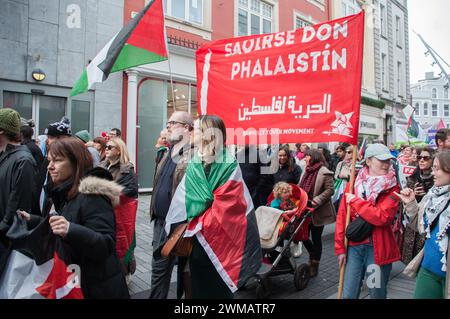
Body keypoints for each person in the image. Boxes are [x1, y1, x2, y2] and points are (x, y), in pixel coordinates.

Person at [172, 114, 261, 299]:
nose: (191, 132)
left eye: (195, 129)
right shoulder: (195, 162)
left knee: (218, 292)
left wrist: (196, 219)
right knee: (197, 291)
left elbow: (228, 210)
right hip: (196, 242)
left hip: (220, 246)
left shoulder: (228, 164)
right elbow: (187, 198)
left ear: (207, 134)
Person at [335, 143, 401, 299]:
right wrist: (340, 249)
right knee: (348, 293)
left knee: (375, 293)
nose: (386, 164)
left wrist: (356, 202)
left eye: (388, 161)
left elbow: (381, 217)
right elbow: (342, 217)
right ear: (369, 161)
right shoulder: (353, 185)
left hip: (376, 251)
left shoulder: (393, 188)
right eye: (382, 160)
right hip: (354, 248)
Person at [149, 111, 195, 299]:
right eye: (167, 123)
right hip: (161, 221)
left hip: (181, 224)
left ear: (186, 127)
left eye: (173, 123)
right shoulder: (168, 152)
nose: (168, 126)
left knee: (185, 272)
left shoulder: (195, 154)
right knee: (159, 268)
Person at [396, 150, 450, 299]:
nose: (433, 173)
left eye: (437, 168)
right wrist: (411, 203)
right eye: (433, 168)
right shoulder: (432, 194)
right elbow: (419, 226)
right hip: (428, 269)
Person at [0, 108, 40, 260]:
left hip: (8, 242)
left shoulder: (23, 161)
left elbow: (19, 205)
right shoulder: (5, 156)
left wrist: (3, 227)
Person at [99, 138, 139, 284]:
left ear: (119, 150)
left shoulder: (127, 168)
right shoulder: (101, 166)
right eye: (106, 147)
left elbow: (131, 191)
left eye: (111, 147)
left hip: (120, 215)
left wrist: (107, 191)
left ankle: (125, 274)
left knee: (123, 244)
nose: (107, 149)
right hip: (103, 213)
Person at [299, 149, 336, 276]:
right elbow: (300, 187)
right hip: (304, 210)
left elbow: (330, 190)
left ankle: (314, 264)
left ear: (313, 157)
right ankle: (313, 254)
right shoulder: (306, 170)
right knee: (303, 236)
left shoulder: (325, 172)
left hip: (318, 211)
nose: (305, 159)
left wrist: (317, 200)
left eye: (307, 156)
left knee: (316, 238)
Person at [333, 146, 353, 211]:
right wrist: (339, 176)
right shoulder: (341, 163)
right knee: (340, 209)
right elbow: (335, 176)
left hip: (351, 191)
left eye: (349, 152)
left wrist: (347, 176)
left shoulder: (357, 164)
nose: (347, 154)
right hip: (341, 190)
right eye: (346, 152)